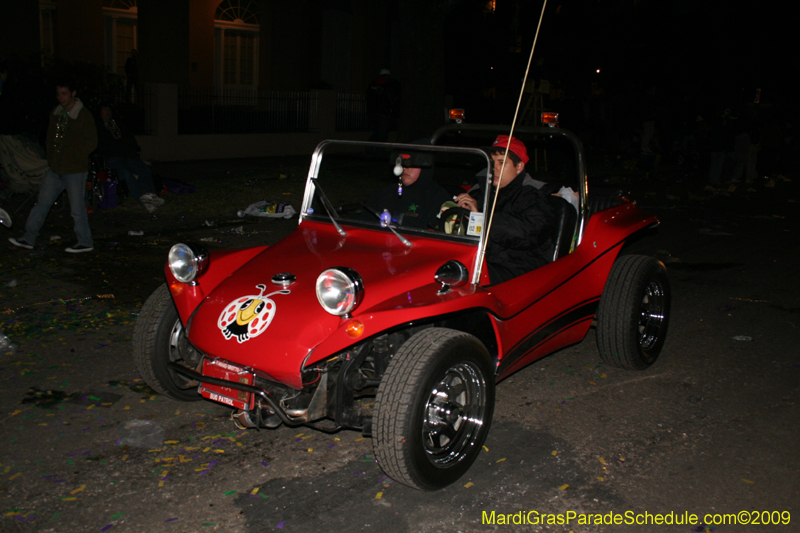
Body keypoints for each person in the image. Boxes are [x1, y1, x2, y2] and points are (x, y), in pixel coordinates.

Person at [9, 79, 97, 253]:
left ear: (73, 93)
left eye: (64, 93)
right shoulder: (56, 113)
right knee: (41, 204)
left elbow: (92, 142)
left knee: (77, 209)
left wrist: (75, 155)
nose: (60, 97)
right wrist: (51, 156)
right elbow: (50, 138)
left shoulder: (83, 114)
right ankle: (29, 238)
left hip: (74, 170)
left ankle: (85, 241)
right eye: (58, 94)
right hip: (55, 169)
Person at [455, 135, 553, 284]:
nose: (494, 168)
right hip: (484, 261)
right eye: (491, 162)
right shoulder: (479, 193)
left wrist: (481, 217)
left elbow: (528, 235)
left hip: (520, 267)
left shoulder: (532, 196)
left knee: (467, 275)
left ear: (519, 167)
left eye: (502, 162)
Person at [365, 140, 450, 229]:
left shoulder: (438, 198)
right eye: (403, 163)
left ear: (425, 166)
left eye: (413, 163)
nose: (405, 168)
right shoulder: (382, 194)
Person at [95, 104, 164, 213]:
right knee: (128, 174)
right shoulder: (98, 128)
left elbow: (130, 140)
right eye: (104, 109)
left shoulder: (119, 125)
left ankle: (150, 197)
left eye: (109, 109)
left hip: (128, 156)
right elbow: (103, 146)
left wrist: (132, 152)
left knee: (144, 169)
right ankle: (144, 202)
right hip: (114, 158)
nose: (107, 112)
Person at [366, 69, 400, 143]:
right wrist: (395, 113)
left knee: (377, 131)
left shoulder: (372, 85)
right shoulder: (388, 85)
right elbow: (390, 99)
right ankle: (378, 151)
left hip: (373, 113)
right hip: (384, 113)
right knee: (383, 134)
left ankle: (371, 146)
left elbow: (368, 99)